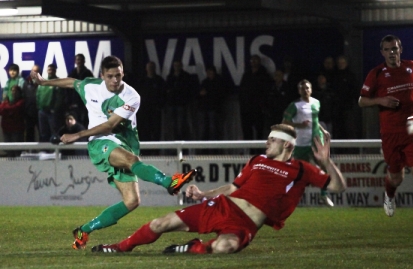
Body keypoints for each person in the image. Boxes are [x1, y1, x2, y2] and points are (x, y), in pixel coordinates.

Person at [90, 123, 346, 254]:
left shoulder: (301, 169)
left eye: (273, 139)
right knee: (159, 224)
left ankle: (195, 247)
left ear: (288, 145)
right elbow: (233, 187)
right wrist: (204, 195)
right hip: (222, 207)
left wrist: (325, 162)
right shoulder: (257, 160)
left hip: (244, 224)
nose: (267, 142)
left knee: (225, 248)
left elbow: (337, 187)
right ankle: (119, 247)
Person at [30, 55, 197, 250]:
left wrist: (78, 135)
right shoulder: (91, 86)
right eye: (110, 76)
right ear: (102, 75)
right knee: (131, 160)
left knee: (132, 201)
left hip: (120, 142)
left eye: (118, 75)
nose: (115, 80)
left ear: (123, 73)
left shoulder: (132, 96)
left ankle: (83, 230)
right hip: (100, 143)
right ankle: (170, 182)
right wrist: (44, 82)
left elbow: (110, 125)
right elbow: (72, 83)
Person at [358, 35, 413, 235]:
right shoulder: (376, 74)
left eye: (394, 48)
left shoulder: (411, 66)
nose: (392, 52)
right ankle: (389, 194)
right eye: (387, 49)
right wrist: (381, 100)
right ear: (382, 52)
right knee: (396, 176)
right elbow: (362, 101)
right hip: (391, 134)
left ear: (400, 49)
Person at [282, 79, 334, 207]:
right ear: (299, 91)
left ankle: (323, 195)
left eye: (307, 88)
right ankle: (286, 196)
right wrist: (299, 125)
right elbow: (284, 121)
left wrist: (323, 130)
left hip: (316, 140)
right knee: (296, 171)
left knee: (324, 165)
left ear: (311, 89)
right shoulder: (294, 105)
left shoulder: (316, 102)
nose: (305, 90)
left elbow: (315, 120)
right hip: (301, 142)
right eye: (302, 88)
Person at [239, 55, 272, 142]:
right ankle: (249, 152)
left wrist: (263, 106)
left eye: (255, 60)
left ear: (259, 62)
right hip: (247, 109)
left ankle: (258, 151)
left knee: (259, 131)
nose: (253, 62)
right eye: (252, 60)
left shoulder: (264, 75)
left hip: (258, 109)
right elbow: (241, 90)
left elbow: (267, 92)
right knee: (247, 131)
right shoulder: (247, 74)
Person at [136, 61, 165, 146]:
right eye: (149, 68)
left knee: (156, 130)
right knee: (145, 130)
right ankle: (146, 150)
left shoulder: (159, 81)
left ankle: (156, 151)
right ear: (146, 69)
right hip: (144, 111)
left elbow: (163, 94)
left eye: (152, 67)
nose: (150, 69)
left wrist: (160, 106)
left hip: (155, 110)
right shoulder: (142, 81)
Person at [196, 65, 227, 142]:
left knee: (214, 130)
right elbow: (199, 94)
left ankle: (214, 150)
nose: (209, 73)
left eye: (211, 71)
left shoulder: (219, 81)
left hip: (214, 109)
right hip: (204, 109)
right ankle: (205, 150)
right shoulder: (204, 82)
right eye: (208, 72)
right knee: (204, 129)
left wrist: (208, 93)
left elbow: (220, 94)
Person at [36, 64, 64, 143]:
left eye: (52, 70)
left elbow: (60, 98)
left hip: (52, 113)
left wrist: (54, 109)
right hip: (42, 112)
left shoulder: (58, 82)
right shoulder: (43, 81)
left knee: (54, 133)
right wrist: (39, 107)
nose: (50, 71)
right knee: (43, 133)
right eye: (49, 70)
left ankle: (55, 152)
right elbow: (38, 95)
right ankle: (45, 152)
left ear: (55, 71)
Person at [67, 53, 94, 128]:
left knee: (84, 123)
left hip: (84, 104)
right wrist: (69, 102)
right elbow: (67, 88)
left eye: (80, 60)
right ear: (75, 61)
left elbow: (91, 89)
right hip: (73, 103)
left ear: (84, 61)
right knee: (74, 124)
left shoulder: (88, 73)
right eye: (77, 59)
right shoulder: (72, 73)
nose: (79, 61)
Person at [0, 85, 25, 157]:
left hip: (16, 129)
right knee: (9, 150)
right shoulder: (6, 101)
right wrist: (7, 108)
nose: (13, 92)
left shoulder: (21, 101)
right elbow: (1, 110)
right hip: (6, 128)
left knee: (17, 149)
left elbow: (15, 109)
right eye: (12, 90)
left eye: (15, 91)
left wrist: (6, 108)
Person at [22, 65, 40, 142]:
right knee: (29, 132)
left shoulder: (43, 82)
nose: (34, 73)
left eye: (36, 71)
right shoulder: (26, 83)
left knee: (42, 133)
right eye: (33, 71)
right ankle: (30, 150)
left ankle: (44, 151)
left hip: (40, 112)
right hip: (29, 112)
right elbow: (23, 97)